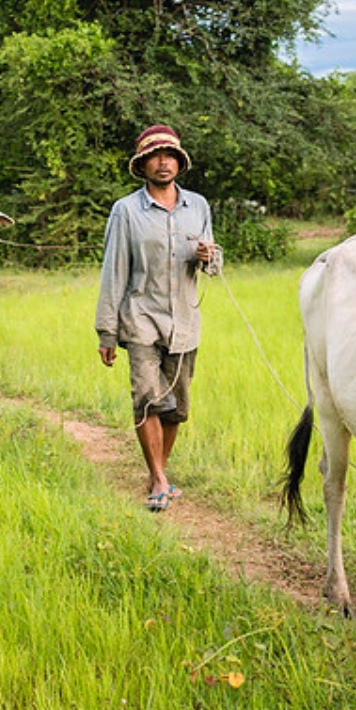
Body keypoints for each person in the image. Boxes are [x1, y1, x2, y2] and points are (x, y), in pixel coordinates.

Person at [96, 125, 223, 512]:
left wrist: (209, 257)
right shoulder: (126, 211)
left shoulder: (198, 206)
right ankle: (161, 479)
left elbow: (214, 264)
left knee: (176, 408)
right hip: (140, 318)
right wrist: (106, 331)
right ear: (143, 164)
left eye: (169, 155)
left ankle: (157, 473)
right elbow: (113, 271)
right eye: (155, 156)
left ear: (179, 162)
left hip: (184, 320)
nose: (163, 161)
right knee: (148, 400)